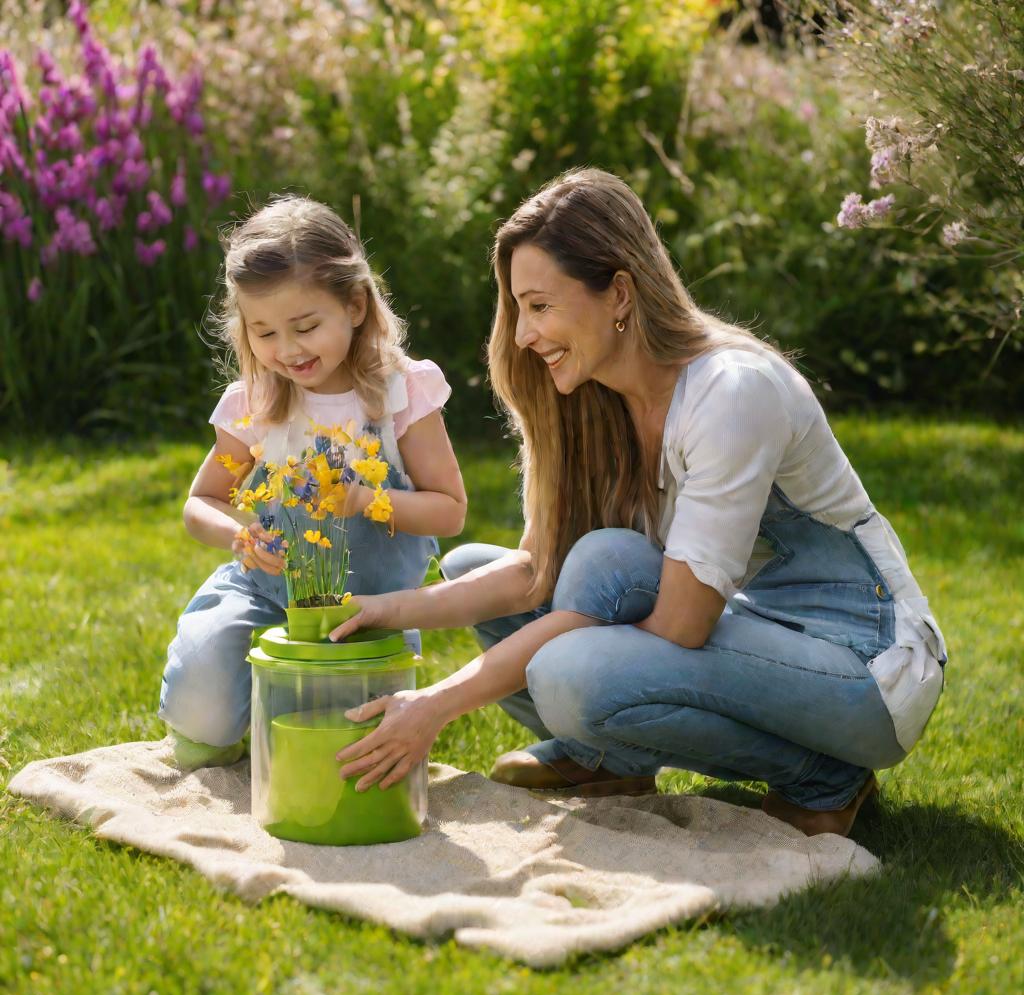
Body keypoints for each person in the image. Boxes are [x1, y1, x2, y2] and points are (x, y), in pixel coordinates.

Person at [332, 167, 947, 837]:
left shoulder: (731, 392)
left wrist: (437, 703)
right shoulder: (595, 401)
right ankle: (605, 760)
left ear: (619, 293)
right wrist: (387, 609)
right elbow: (536, 573)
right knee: (501, 569)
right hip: (750, 632)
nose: (523, 336)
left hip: (862, 667)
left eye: (540, 307)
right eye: (518, 309)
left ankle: (824, 775)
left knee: (574, 670)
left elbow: (680, 626)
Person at [158, 195, 467, 770]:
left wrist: (362, 499)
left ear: (354, 305)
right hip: (264, 596)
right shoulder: (255, 405)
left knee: (344, 751)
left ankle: (279, 709)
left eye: (305, 326)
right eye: (264, 333)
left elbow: (449, 511)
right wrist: (239, 539)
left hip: (366, 616)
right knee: (201, 715)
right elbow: (203, 500)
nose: (287, 350)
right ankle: (230, 716)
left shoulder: (402, 394)